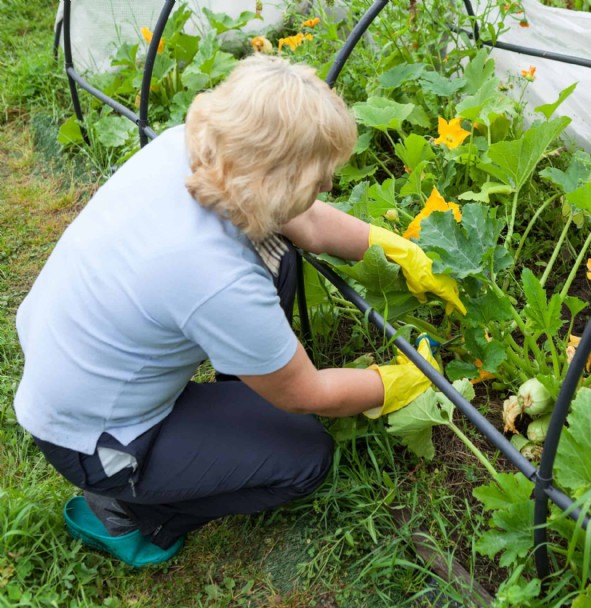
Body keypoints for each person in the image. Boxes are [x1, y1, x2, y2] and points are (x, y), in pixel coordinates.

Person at [13, 55, 465, 567]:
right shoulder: (212, 272)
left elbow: (308, 224)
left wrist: (396, 250)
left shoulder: (192, 153)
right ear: (279, 183)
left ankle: (233, 414)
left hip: (81, 364)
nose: (329, 188)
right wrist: (402, 380)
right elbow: (305, 393)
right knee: (303, 456)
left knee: (281, 258)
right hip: (96, 437)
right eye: (321, 179)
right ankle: (128, 512)